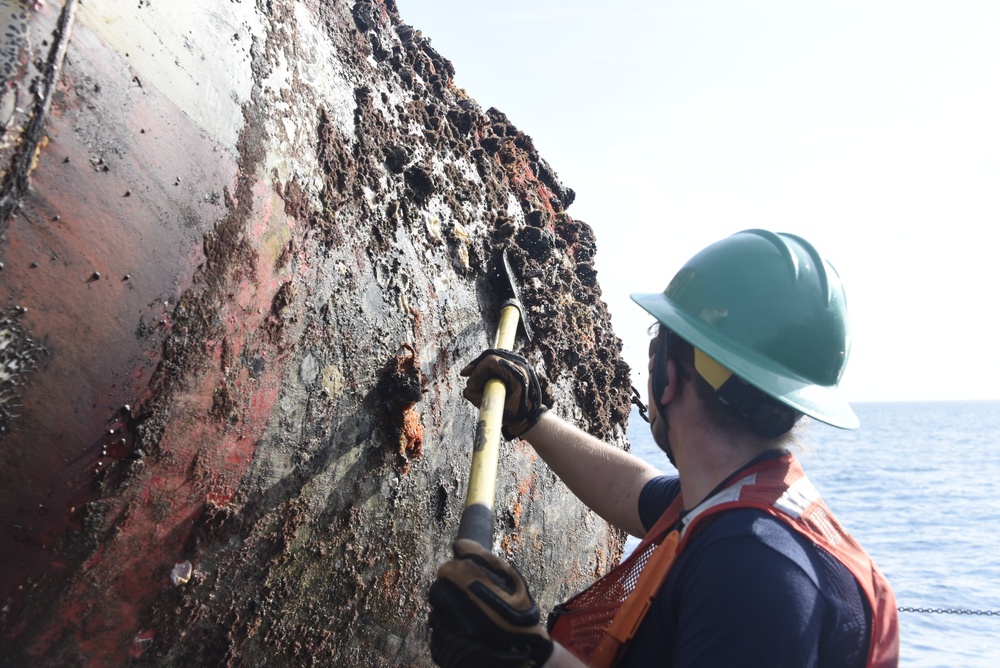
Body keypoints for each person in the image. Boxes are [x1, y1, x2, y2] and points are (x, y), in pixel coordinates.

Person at [428, 230, 900, 667]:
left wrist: (529, 655)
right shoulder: (736, 502)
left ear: (666, 374)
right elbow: (633, 489)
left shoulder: (754, 572)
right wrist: (533, 420)